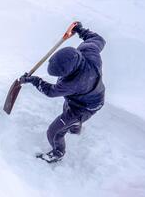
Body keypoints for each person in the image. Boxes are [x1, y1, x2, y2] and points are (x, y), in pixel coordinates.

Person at [19, 22, 106, 163]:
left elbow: (50, 91)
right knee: (69, 109)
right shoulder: (89, 50)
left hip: (85, 107)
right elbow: (99, 40)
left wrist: (33, 80)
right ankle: (75, 128)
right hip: (89, 96)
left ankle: (58, 153)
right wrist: (81, 30)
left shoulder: (73, 83)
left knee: (54, 132)